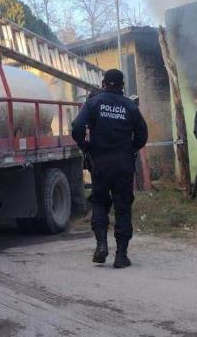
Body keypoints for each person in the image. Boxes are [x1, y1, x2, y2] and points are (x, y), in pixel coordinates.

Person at [71, 69, 148, 269]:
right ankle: (121, 256)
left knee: (99, 202)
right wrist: (130, 148)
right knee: (123, 207)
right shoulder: (130, 106)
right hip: (123, 163)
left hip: (100, 163)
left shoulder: (94, 103)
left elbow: (77, 127)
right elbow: (142, 135)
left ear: (104, 83)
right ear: (122, 85)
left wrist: (86, 147)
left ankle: (101, 245)